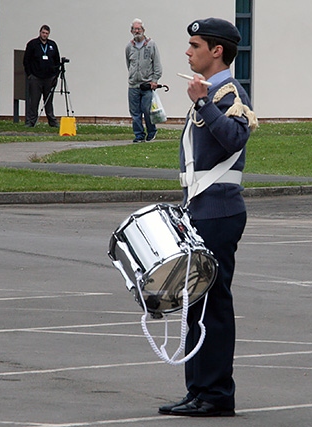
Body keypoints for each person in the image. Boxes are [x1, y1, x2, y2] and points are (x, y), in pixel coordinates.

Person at [158, 18, 257, 417]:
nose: (188, 51)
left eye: (195, 45)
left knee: (212, 304)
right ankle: (198, 389)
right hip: (201, 210)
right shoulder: (212, 91)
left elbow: (235, 137)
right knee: (194, 304)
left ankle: (217, 394)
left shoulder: (228, 91)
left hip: (219, 212)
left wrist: (202, 102)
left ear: (217, 51)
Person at [125, 18, 162, 143]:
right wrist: (131, 76)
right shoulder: (129, 47)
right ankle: (139, 135)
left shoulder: (151, 45)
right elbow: (128, 63)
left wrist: (155, 80)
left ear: (143, 30)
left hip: (147, 84)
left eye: (139, 29)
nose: (137, 31)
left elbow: (157, 64)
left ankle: (151, 131)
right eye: (134, 29)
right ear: (131, 31)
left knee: (147, 110)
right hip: (133, 85)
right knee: (135, 113)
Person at [23, 25, 61, 128]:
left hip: (49, 77)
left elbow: (57, 61)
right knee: (34, 100)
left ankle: (52, 121)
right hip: (36, 77)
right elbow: (26, 60)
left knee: (48, 100)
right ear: (40, 32)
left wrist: (55, 75)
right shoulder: (33, 44)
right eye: (43, 33)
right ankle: (31, 121)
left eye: (47, 33)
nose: (44, 35)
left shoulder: (52, 45)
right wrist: (29, 74)